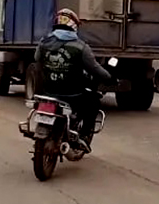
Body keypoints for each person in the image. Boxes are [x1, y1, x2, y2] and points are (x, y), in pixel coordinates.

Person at [35, 8, 111, 152]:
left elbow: (37, 60)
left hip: (48, 92)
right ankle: (85, 135)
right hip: (72, 96)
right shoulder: (81, 47)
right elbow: (95, 69)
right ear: (74, 25)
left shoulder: (43, 42)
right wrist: (108, 77)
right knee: (94, 101)